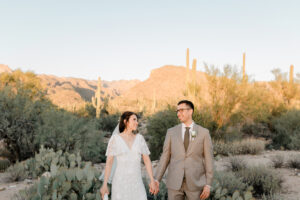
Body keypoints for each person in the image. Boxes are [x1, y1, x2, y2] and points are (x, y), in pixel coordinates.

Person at [153, 100, 214, 200]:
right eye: (177, 111)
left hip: (195, 183)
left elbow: (209, 159)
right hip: (174, 183)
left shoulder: (204, 133)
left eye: (181, 110)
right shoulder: (171, 132)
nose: (178, 113)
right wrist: (157, 179)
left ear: (190, 111)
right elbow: (165, 157)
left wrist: (208, 184)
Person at [100, 111, 156, 200]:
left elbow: (147, 160)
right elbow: (109, 163)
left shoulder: (140, 139)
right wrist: (105, 184)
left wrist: (152, 180)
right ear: (125, 122)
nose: (137, 122)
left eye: (137, 120)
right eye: (134, 120)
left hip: (137, 183)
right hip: (119, 183)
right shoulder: (115, 139)